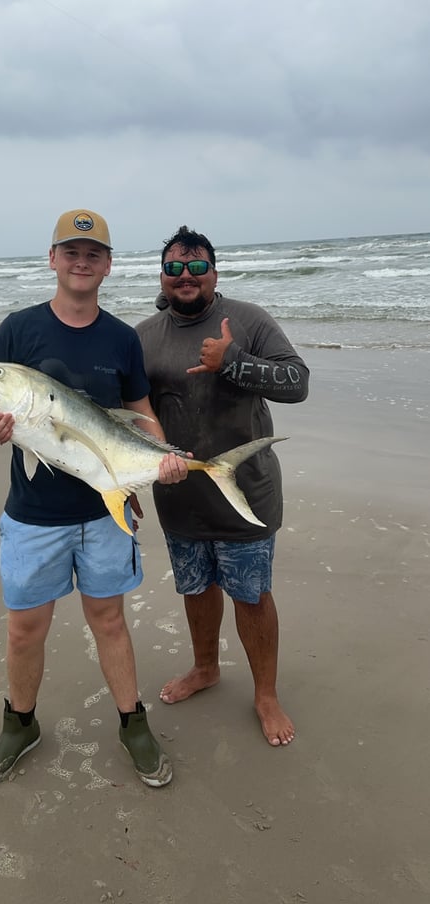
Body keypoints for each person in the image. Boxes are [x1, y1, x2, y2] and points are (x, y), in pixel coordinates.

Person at [0, 208, 186, 787]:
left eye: (93, 254)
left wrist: (164, 458)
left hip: (104, 507)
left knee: (109, 620)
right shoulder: (18, 329)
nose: (81, 262)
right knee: (23, 628)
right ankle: (19, 726)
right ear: (53, 258)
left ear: (107, 266)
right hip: (34, 513)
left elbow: (139, 414)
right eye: (71, 251)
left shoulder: (121, 338)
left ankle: (133, 724)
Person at [136, 225, 309, 747]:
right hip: (179, 496)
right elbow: (130, 414)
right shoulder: (142, 336)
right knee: (195, 588)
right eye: (173, 268)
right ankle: (206, 667)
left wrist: (231, 361)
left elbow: (298, 383)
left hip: (247, 495)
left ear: (214, 272)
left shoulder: (249, 321)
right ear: (162, 277)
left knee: (251, 595)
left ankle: (265, 694)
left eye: (195, 267)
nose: (184, 277)